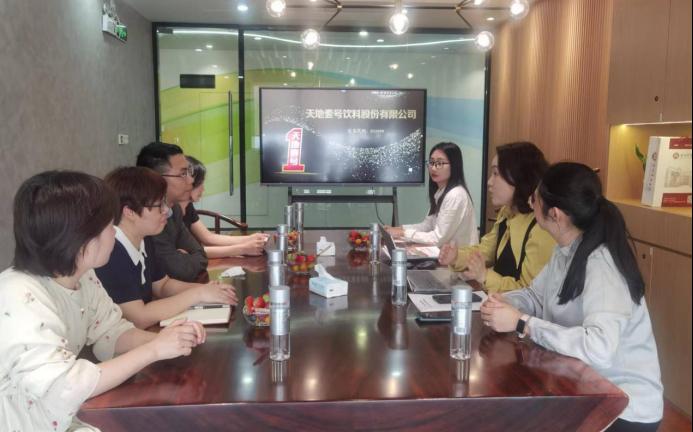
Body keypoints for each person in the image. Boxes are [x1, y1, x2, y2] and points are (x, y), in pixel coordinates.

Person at [0, 171, 206, 432]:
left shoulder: (83, 277)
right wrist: (154, 349)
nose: (114, 233)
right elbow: (66, 386)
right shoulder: (17, 294)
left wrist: (168, 340)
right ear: (81, 236)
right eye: (110, 225)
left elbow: (111, 332)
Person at [480, 162, 663, 431]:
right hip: (584, 387)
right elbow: (536, 296)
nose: (530, 203)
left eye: (534, 199)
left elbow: (599, 349)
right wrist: (505, 303)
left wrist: (522, 323)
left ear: (555, 214)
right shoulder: (565, 249)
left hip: (623, 406)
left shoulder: (602, 264)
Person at [95, 167, 238, 329]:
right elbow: (138, 317)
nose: (167, 211)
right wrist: (198, 294)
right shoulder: (111, 251)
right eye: (159, 205)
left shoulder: (144, 238)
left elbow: (163, 286)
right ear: (129, 212)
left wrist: (208, 289)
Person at [438, 141, 555, 293]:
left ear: (519, 177)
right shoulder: (507, 213)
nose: (489, 182)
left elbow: (531, 293)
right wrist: (456, 257)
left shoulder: (542, 227)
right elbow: (485, 251)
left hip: (512, 307)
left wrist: (485, 276)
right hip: (498, 302)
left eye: (495, 174)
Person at [136, 142, 207, 282]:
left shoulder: (174, 209)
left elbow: (201, 254)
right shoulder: (147, 217)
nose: (191, 180)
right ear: (156, 178)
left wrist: (181, 257)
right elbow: (179, 270)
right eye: (183, 174)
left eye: (189, 172)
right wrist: (184, 257)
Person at [386, 142, 478, 247]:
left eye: (440, 163)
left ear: (454, 166)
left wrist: (403, 233)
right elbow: (428, 226)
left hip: (458, 257)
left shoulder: (455, 195)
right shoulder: (441, 192)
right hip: (443, 254)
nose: (433, 168)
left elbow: (437, 238)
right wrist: (399, 229)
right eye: (431, 162)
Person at [181, 156, 268, 258]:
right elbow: (193, 252)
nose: (203, 189)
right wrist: (243, 248)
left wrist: (250, 239)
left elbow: (208, 237)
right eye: (200, 183)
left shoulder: (187, 207)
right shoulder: (170, 213)